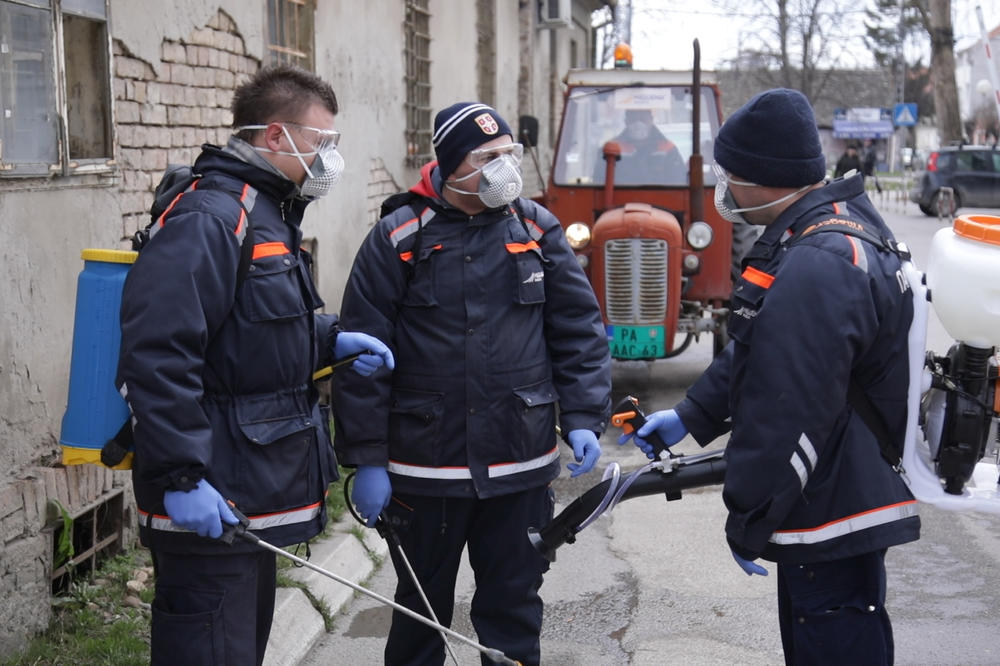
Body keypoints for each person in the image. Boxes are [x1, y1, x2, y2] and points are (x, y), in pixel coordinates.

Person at [619, 88, 920, 665]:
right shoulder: (830, 229)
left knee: (833, 645)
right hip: (842, 487)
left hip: (831, 505)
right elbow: (763, 342)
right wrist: (691, 414)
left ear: (764, 177)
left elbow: (786, 409)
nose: (725, 187)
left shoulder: (817, 261)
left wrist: (750, 516)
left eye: (729, 174)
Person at [117, 65, 394, 666]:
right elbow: (158, 353)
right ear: (275, 135)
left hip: (247, 497)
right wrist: (181, 478)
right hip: (212, 495)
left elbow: (249, 328)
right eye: (322, 142)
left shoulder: (266, 211)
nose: (329, 158)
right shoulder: (212, 217)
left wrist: (329, 341)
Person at [333, 101, 612, 665]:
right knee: (421, 610)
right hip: (426, 467)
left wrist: (584, 416)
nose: (504, 167)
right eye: (488, 157)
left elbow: (578, 330)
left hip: (518, 462)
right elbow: (363, 356)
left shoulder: (535, 228)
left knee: (513, 607)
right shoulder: (398, 236)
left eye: (509, 153)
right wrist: (367, 458)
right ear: (453, 164)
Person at [596, 108, 686, 184]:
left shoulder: (668, 149)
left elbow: (679, 181)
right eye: (633, 119)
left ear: (651, 120)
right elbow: (599, 182)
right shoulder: (610, 149)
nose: (638, 124)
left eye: (643, 119)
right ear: (626, 121)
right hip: (620, 199)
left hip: (660, 199)